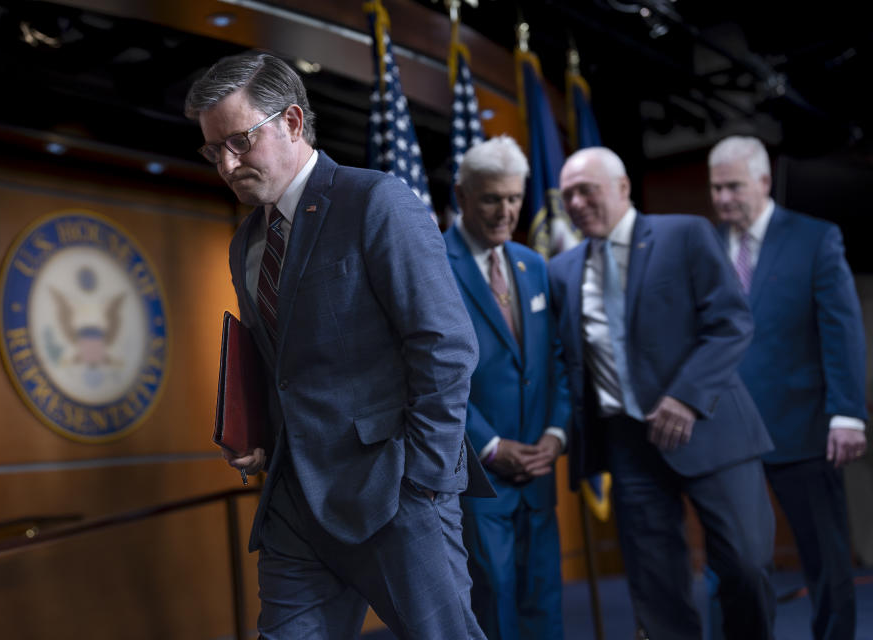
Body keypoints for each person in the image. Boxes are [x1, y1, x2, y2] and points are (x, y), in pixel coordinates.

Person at [184, 51, 493, 640]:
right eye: (212, 149)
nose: (225, 163)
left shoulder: (377, 201)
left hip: (394, 493)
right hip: (296, 504)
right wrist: (256, 435)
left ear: (292, 122)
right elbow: (282, 365)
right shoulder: (245, 241)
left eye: (239, 142)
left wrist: (423, 480)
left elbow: (446, 347)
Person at [546, 146, 777, 640]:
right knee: (656, 588)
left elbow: (731, 322)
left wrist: (685, 397)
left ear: (623, 187)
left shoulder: (684, 234)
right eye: (568, 195)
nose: (577, 202)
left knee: (746, 566)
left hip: (709, 427)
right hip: (628, 444)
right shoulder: (562, 271)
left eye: (587, 190)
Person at [708, 135, 867, 640]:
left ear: (763, 180)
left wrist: (848, 413)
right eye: (715, 189)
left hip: (804, 430)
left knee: (826, 559)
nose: (723, 199)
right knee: (734, 563)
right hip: (728, 436)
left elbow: (841, 329)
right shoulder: (706, 246)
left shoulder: (816, 238)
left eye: (733, 186)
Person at [444, 136, 570, 640]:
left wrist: (557, 433)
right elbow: (431, 377)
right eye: (493, 198)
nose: (507, 211)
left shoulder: (532, 264)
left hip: (539, 475)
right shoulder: (431, 263)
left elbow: (556, 358)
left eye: (515, 198)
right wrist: (490, 445)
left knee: (545, 608)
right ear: (462, 196)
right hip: (479, 479)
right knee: (492, 611)